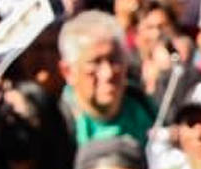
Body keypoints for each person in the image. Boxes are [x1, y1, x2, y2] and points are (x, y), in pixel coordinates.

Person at [61, 10, 157, 148]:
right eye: (95, 62)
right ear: (68, 72)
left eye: (114, 60)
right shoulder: (60, 126)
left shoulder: (145, 108)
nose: (108, 73)